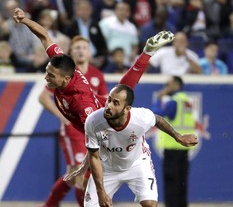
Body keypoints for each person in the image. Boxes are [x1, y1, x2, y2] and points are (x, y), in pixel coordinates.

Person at [13, 7, 175, 206]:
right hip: (92, 114)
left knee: (81, 176)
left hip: (102, 125)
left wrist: (89, 166)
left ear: (66, 78)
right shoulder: (61, 64)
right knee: (76, 174)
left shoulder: (82, 105)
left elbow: (97, 136)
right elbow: (45, 36)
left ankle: (147, 53)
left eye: (50, 76)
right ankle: (146, 53)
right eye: (47, 72)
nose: (46, 77)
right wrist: (25, 19)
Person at [65, 84, 198, 207]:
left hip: (137, 164)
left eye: (116, 103)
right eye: (109, 100)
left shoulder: (140, 117)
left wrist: (178, 137)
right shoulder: (93, 121)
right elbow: (94, 156)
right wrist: (101, 192)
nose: (109, 106)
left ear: (127, 109)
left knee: (150, 204)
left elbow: (158, 120)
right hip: (107, 168)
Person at [37, 35, 108, 207]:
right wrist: (64, 118)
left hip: (89, 129)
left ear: (90, 52)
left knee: (72, 175)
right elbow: (43, 97)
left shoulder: (97, 74)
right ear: (71, 52)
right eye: (77, 48)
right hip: (73, 131)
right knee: (77, 174)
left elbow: (105, 100)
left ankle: (49, 204)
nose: (81, 51)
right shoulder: (63, 73)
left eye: (84, 47)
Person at [151, 76, 197, 207]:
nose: (166, 87)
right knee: (182, 181)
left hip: (173, 148)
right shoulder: (186, 101)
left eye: (168, 84)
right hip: (184, 149)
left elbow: (157, 115)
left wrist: (158, 99)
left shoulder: (174, 101)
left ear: (176, 85)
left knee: (171, 182)